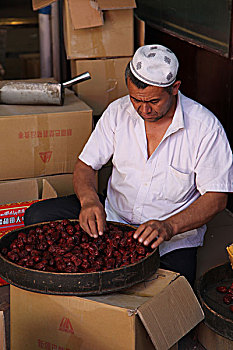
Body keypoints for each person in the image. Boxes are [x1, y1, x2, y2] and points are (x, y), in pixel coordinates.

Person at [24, 44, 233, 286]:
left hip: (167, 236)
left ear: (175, 88)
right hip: (112, 217)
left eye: (154, 101)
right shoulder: (118, 112)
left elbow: (217, 197)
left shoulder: (205, 128)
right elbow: (86, 165)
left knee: (169, 290)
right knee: (36, 216)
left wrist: (169, 226)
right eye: (136, 99)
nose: (143, 109)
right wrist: (90, 201)